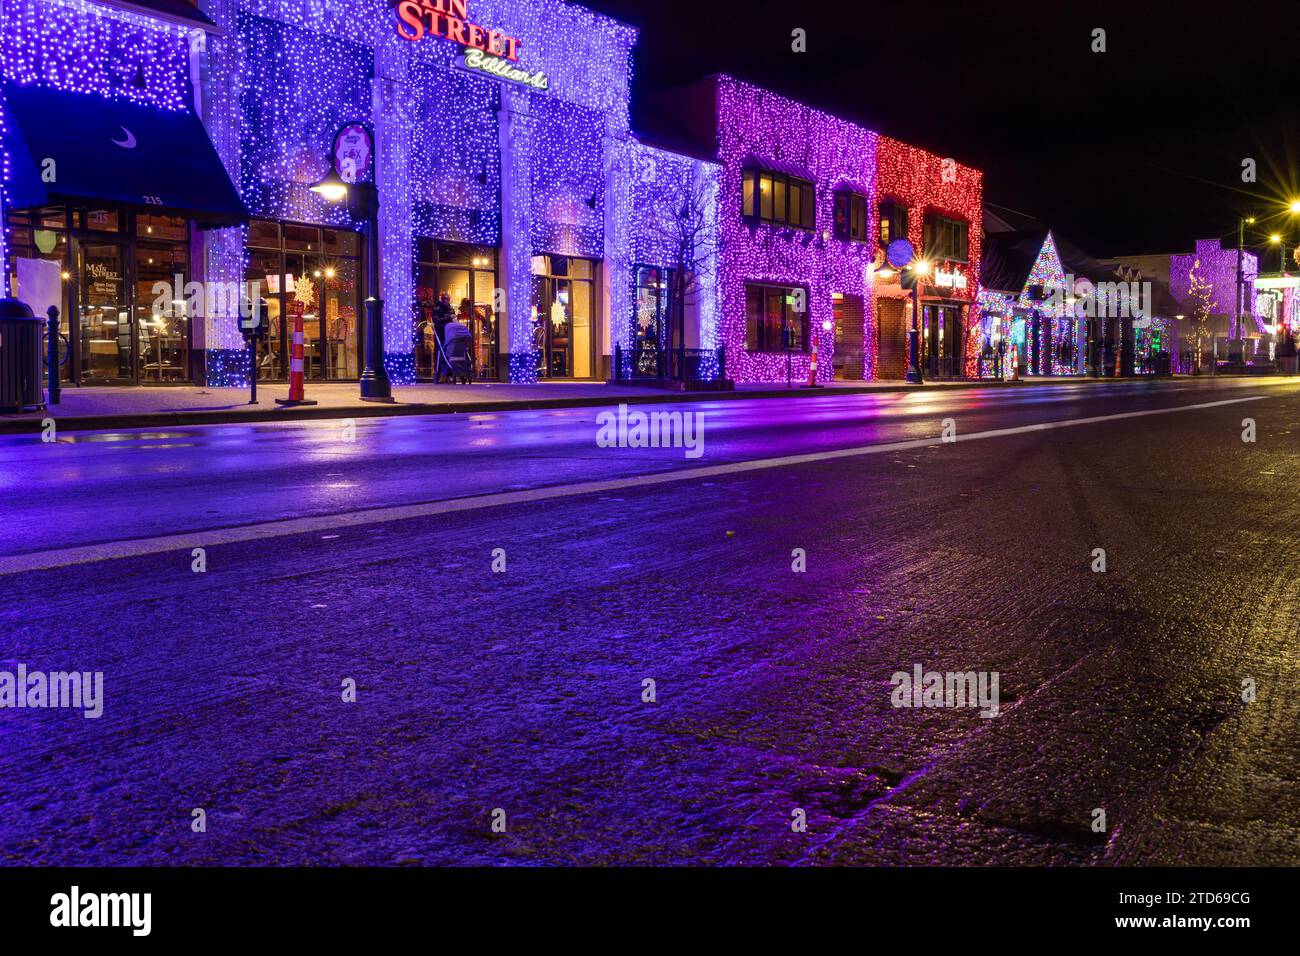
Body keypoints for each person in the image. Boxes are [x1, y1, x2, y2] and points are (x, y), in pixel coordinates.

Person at [431, 292, 455, 383]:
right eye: (444, 299)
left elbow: (453, 318)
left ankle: (448, 373)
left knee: (448, 352)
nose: (446, 301)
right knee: (440, 352)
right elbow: (436, 320)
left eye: (447, 299)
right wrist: (448, 318)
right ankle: (441, 373)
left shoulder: (450, 309)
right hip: (440, 333)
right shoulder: (437, 309)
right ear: (441, 300)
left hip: (450, 334)